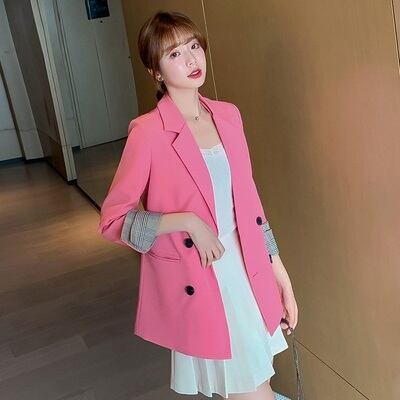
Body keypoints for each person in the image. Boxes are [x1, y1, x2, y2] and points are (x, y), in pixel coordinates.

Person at [99, 10, 298, 400]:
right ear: (155, 71)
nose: (191, 59)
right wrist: (188, 222)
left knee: (259, 383)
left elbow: (252, 210)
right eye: (174, 54)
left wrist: (281, 274)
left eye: (193, 46)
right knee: (250, 388)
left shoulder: (228, 116)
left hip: (249, 269)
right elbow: (113, 221)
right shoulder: (148, 133)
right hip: (207, 279)